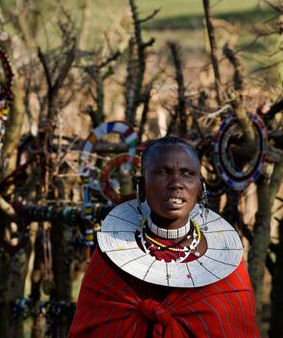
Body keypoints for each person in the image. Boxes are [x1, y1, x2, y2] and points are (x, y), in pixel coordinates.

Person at [69, 136, 259, 337]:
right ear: (141, 186)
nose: (176, 183)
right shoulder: (108, 262)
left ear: (200, 188)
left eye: (187, 174)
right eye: (162, 173)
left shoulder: (227, 266)